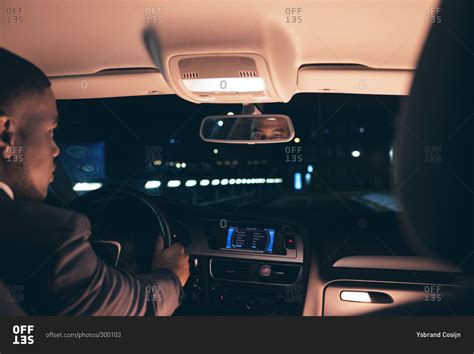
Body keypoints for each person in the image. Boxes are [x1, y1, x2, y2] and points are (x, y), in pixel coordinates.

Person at [0, 48, 190, 316]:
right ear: (6, 135)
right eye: (50, 132)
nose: (55, 150)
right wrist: (171, 276)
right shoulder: (48, 236)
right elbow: (136, 309)